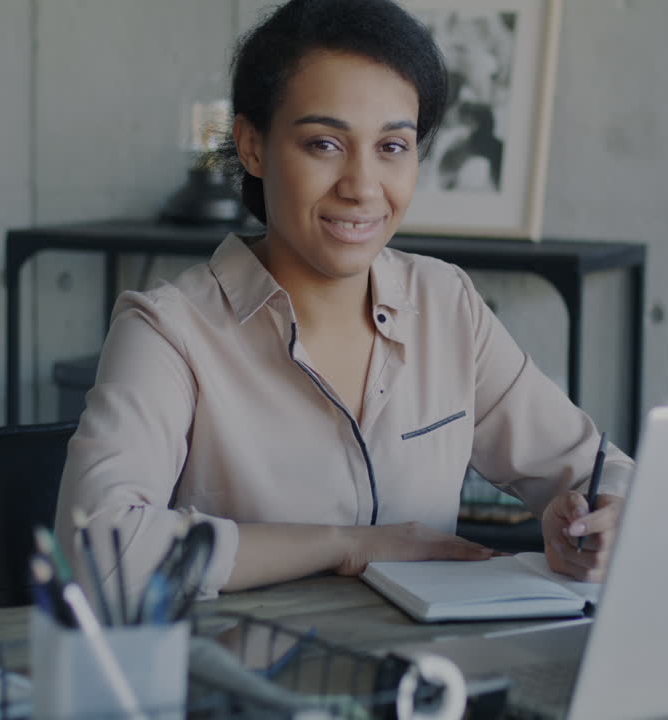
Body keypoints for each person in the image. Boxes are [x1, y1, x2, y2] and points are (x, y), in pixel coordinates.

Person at [54, 0, 633, 603]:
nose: (362, 188)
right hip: (241, 685)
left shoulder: (446, 305)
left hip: (428, 683)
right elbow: (100, 553)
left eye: (392, 147)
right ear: (252, 145)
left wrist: (601, 517)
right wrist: (347, 544)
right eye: (324, 144)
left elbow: (595, 468)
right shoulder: (167, 330)